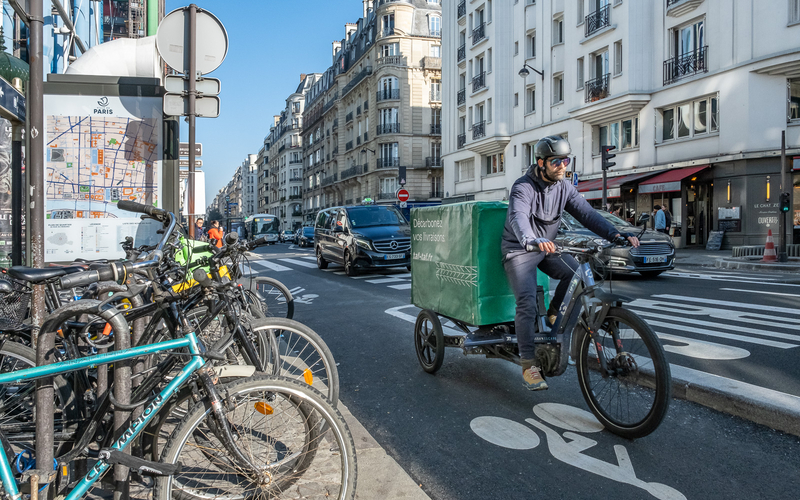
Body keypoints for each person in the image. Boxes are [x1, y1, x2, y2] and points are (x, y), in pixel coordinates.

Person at [502, 135, 640, 391]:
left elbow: (587, 214)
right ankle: (529, 363)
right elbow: (518, 217)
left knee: (575, 272)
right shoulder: (523, 187)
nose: (563, 166)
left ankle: (555, 313)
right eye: (556, 161)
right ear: (541, 163)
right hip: (521, 250)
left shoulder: (564, 188)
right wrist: (530, 239)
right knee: (527, 303)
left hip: (548, 248)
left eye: (566, 160)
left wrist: (615, 234)